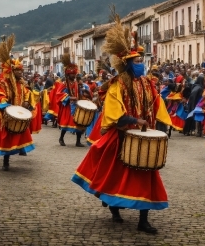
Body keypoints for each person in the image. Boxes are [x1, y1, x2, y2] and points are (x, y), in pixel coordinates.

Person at [71, 15, 172, 234]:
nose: (140, 65)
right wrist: (135, 120)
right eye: (136, 62)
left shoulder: (147, 83)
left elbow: (157, 105)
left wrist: (159, 122)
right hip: (122, 138)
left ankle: (143, 220)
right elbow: (115, 115)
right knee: (115, 177)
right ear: (127, 64)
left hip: (142, 138)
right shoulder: (117, 85)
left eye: (141, 62)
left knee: (147, 178)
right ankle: (115, 208)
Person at [0, 35, 36, 171]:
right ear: (11, 71)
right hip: (6, 115)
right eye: (18, 71)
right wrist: (7, 107)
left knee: (20, 134)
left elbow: (27, 94)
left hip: (19, 113)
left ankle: (20, 150)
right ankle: (6, 161)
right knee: (7, 138)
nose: (21, 73)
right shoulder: (3, 83)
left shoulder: (21, 84)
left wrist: (27, 102)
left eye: (21, 71)